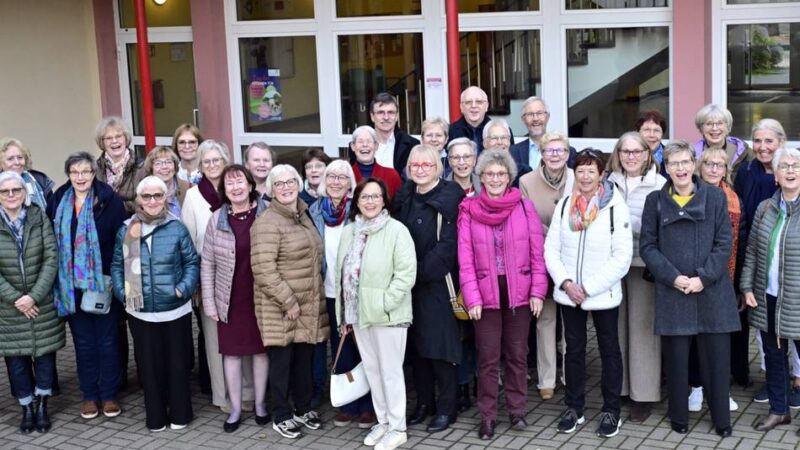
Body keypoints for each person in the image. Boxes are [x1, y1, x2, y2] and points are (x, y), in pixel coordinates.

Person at [639, 141, 739, 437]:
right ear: (665, 168)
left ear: (694, 164)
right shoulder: (655, 201)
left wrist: (703, 278)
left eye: (685, 162)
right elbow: (648, 246)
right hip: (674, 291)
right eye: (674, 163)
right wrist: (673, 277)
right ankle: (678, 417)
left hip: (711, 290)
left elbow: (724, 244)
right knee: (677, 362)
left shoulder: (715, 198)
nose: (680, 169)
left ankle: (722, 420)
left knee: (717, 363)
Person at [458, 149, 548, 440]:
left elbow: (537, 252)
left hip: (519, 293)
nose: (495, 178)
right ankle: (487, 416)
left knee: (517, 355)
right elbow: (465, 258)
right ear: (481, 177)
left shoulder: (524, 207)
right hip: (484, 296)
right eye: (489, 173)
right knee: (487, 358)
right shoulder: (468, 209)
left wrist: (537, 290)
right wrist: (471, 297)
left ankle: (517, 410)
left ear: (509, 177)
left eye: (501, 173)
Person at [544, 149, 632, 438]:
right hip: (569, 293)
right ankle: (574, 407)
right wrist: (567, 282)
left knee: (609, 351)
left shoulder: (615, 207)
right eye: (580, 170)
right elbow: (551, 249)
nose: (584, 176)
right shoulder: (565, 204)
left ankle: (611, 410)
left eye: (591, 170)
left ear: (601, 174)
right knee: (574, 350)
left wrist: (589, 288)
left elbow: (622, 256)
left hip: (602, 294)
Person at [111, 176, 199, 432]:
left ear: (165, 199)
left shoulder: (177, 227)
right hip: (140, 312)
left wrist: (182, 289)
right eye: (146, 196)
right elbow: (117, 266)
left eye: (157, 196)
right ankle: (156, 417)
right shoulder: (126, 229)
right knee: (149, 369)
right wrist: (123, 292)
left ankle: (181, 414)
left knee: (177, 365)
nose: (152, 201)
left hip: (175, 309)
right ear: (138, 200)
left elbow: (192, 262)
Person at [335, 178, 417, 450]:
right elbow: (341, 276)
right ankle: (382, 422)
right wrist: (345, 314)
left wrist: (384, 303)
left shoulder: (397, 230)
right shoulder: (350, 232)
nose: (370, 201)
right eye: (364, 197)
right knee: (373, 371)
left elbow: (406, 275)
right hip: (359, 316)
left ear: (384, 200)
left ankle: (398, 427)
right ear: (356, 201)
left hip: (388, 316)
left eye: (375, 196)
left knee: (391, 372)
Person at [251, 164, 328, 440]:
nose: (286, 188)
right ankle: (281, 414)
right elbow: (263, 269)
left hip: (307, 304)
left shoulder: (302, 214)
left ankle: (303, 408)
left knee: (303, 362)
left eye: (291, 182)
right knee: (282, 364)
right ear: (271, 190)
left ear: (299, 185)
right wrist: (288, 301)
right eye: (279, 184)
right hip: (281, 307)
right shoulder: (266, 223)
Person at [47, 152, 126, 420]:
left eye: (86, 172)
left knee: (107, 340)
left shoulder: (108, 200)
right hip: (70, 284)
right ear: (68, 174)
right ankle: (90, 395)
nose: (80, 177)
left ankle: (109, 394)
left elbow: (119, 241)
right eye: (75, 172)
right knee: (83, 343)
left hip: (101, 282)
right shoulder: (59, 199)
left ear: (94, 174)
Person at [393, 144, 465, 433]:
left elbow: (447, 248)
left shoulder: (450, 198)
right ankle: (424, 403)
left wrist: (414, 273)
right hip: (407, 288)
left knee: (440, 350)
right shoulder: (404, 196)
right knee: (417, 350)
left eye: (427, 165)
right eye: (415, 165)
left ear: (438, 168)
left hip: (435, 285)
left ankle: (447, 408)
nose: (420, 170)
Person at [181, 140, 254, 413]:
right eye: (207, 161)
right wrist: (196, 282)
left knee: (246, 336)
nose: (212, 166)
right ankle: (223, 396)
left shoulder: (236, 188)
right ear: (200, 166)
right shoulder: (192, 196)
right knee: (216, 341)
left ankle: (248, 392)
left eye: (217, 160)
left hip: (243, 275)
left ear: (226, 161)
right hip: (210, 275)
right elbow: (188, 241)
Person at [733, 119, 797, 402]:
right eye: (757, 141)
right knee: (767, 335)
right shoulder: (746, 172)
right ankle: (776, 384)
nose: (762, 147)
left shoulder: (791, 172)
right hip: (761, 263)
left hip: (792, 273)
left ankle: (797, 380)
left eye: (768, 141)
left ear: (780, 143)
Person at [201, 165, 270, 432]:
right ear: (224, 190)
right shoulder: (216, 218)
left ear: (251, 185)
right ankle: (236, 409)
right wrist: (209, 302)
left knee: (261, 351)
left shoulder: (266, 212)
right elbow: (207, 263)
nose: (236, 187)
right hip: (229, 297)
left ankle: (261, 405)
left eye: (240, 181)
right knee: (231, 354)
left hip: (261, 296)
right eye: (230, 184)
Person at [309, 160, 376, 428]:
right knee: (341, 348)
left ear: (351, 183)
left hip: (355, 290)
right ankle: (348, 403)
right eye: (331, 176)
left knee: (363, 347)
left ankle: (368, 405)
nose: (336, 181)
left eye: (342, 177)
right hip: (328, 290)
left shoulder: (358, 211)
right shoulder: (314, 211)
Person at [605, 132, 666, 422]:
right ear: (618, 154)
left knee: (642, 330)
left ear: (647, 154)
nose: (631, 156)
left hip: (644, 265)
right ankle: (623, 388)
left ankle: (643, 394)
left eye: (636, 151)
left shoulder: (660, 184)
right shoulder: (608, 184)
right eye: (625, 151)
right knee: (617, 328)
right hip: (613, 264)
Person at [741, 147, 800, 433]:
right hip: (768, 297)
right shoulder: (766, 208)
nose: (790, 171)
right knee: (775, 357)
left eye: (796, 166)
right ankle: (779, 410)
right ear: (775, 175)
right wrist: (747, 286)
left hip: (798, 299)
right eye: (784, 166)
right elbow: (752, 251)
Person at [0, 171, 61, 433]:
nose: (11, 195)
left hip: (41, 301)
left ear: (25, 193)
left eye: (16, 190)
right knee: (16, 360)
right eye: (5, 192)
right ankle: (26, 407)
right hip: (8, 307)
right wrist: (17, 299)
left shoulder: (38, 217)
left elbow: (51, 256)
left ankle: (42, 405)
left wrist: (34, 296)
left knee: (46, 356)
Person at [518, 131, 575, 402]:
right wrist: (555, 235)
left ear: (567, 154)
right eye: (549, 151)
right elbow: (527, 218)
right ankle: (547, 378)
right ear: (541, 154)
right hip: (540, 258)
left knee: (572, 321)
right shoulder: (526, 181)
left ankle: (570, 373)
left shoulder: (578, 178)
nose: (555, 156)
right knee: (546, 320)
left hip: (573, 259)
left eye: (560, 151)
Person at [692, 148, 747, 413]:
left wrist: (737, 283)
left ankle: (720, 391)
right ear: (699, 167)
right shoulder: (687, 194)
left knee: (719, 338)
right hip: (694, 277)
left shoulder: (734, 199)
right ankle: (696, 387)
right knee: (693, 338)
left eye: (720, 165)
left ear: (726, 170)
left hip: (724, 278)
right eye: (709, 164)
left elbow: (741, 240)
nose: (714, 169)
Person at [93, 116, 146, 215]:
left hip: (133, 223)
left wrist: (114, 206)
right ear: (102, 142)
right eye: (108, 138)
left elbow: (146, 201)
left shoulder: (142, 167)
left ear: (126, 138)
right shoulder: (94, 169)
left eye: (118, 136)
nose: (114, 141)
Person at [510, 97, 577, 172]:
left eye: (539, 113)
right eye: (530, 114)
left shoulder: (569, 152)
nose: (535, 119)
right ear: (523, 119)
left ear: (547, 117)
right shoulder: (512, 152)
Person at [693, 104, 751, 181]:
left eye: (720, 123)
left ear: (728, 127)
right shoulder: (691, 154)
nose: (714, 128)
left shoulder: (744, 153)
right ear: (701, 128)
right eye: (709, 124)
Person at [448, 86, 513, 155]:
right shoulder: (450, 132)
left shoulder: (503, 130)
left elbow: (510, 159)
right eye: (468, 102)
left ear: (487, 106)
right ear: (461, 107)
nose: (473, 106)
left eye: (479, 102)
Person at [369, 92, 420, 177]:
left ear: (397, 116)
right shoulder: (359, 145)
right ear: (372, 116)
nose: (386, 117)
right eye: (381, 112)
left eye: (391, 112)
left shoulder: (412, 145)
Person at [0, 137, 55, 208]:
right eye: (10, 159)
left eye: (20, 157)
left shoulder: (40, 180)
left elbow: (52, 213)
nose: (17, 162)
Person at [350, 126, 402, 199]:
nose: (365, 145)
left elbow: (399, 206)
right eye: (360, 141)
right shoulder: (346, 176)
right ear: (353, 146)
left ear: (376, 146)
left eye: (369, 141)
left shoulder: (392, 175)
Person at [144, 146, 191, 218]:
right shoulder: (144, 193)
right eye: (158, 163)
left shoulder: (190, 189)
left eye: (169, 162)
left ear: (175, 167)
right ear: (151, 169)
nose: (164, 167)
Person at [634, 110, 667, 175]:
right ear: (637, 132)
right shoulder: (627, 157)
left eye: (656, 130)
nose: (652, 135)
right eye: (647, 130)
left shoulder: (671, 157)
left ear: (662, 134)